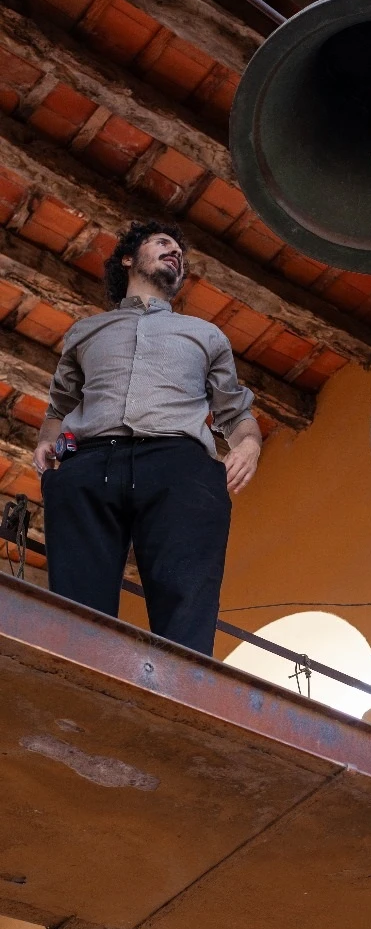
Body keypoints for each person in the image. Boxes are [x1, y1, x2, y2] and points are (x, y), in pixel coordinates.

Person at [33, 220, 262, 655]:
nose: (174, 251)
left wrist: (249, 445)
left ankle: (182, 708)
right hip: (90, 463)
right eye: (162, 243)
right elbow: (59, 406)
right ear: (127, 258)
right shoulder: (86, 331)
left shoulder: (206, 335)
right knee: (78, 609)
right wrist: (47, 439)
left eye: (179, 250)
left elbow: (235, 411)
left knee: (186, 611)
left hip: (179, 465)